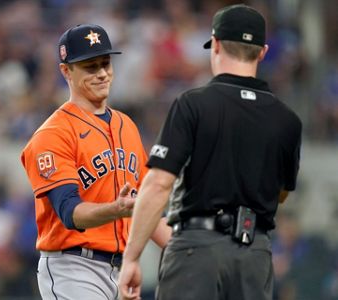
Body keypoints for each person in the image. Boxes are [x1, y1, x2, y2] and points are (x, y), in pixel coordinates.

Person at [119, 4, 302, 300]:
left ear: (215, 45)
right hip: (254, 254)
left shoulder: (193, 104)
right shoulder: (288, 120)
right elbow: (281, 192)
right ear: (262, 52)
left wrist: (132, 257)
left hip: (196, 250)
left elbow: (159, 183)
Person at [20, 24, 171, 300]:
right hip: (73, 268)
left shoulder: (127, 126)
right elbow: (69, 211)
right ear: (66, 71)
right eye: (90, 66)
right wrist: (117, 209)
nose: (102, 73)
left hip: (122, 268)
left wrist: (190, 253)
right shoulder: (53, 134)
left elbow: (147, 209)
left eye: (105, 64)